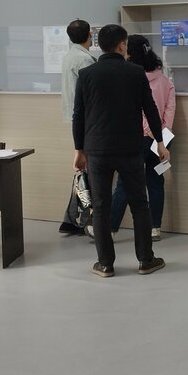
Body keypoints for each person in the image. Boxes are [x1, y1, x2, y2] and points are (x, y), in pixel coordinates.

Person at [73, 24, 169, 278]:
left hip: (97, 149)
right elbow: (150, 109)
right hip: (130, 148)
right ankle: (145, 260)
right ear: (122, 45)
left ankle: (105, 264)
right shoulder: (135, 72)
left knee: (101, 207)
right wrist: (160, 141)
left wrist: (78, 149)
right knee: (139, 204)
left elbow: (78, 115)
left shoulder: (86, 74)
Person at [104, 35, 175, 242]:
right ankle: (155, 228)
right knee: (156, 181)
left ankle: (111, 228)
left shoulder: (131, 78)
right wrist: (161, 135)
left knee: (125, 184)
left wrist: (148, 131)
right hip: (162, 140)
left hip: (136, 139)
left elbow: (137, 110)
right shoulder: (165, 80)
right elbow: (169, 110)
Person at [58, 19, 96, 236]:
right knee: (89, 173)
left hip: (76, 119)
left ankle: (72, 218)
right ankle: (83, 219)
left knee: (84, 172)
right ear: (89, 35)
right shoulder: (84, 60)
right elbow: (92, 92)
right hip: (87, 120)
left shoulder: (68, 57)